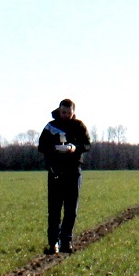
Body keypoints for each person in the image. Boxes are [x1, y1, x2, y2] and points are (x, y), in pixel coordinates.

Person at [37, 98, 91, 253]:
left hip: (73, 172)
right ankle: (53, 243)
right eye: (63, 112)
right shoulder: (51, 126)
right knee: (54, 210)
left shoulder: (79, 126)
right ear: (59, 111)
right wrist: (54, 149)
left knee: (71, 210)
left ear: (73, 112)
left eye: (68, 113)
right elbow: (41, 146)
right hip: (55, 172)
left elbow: (87, 145)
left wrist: (74, 148)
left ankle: (66, 242)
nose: (65, 115)